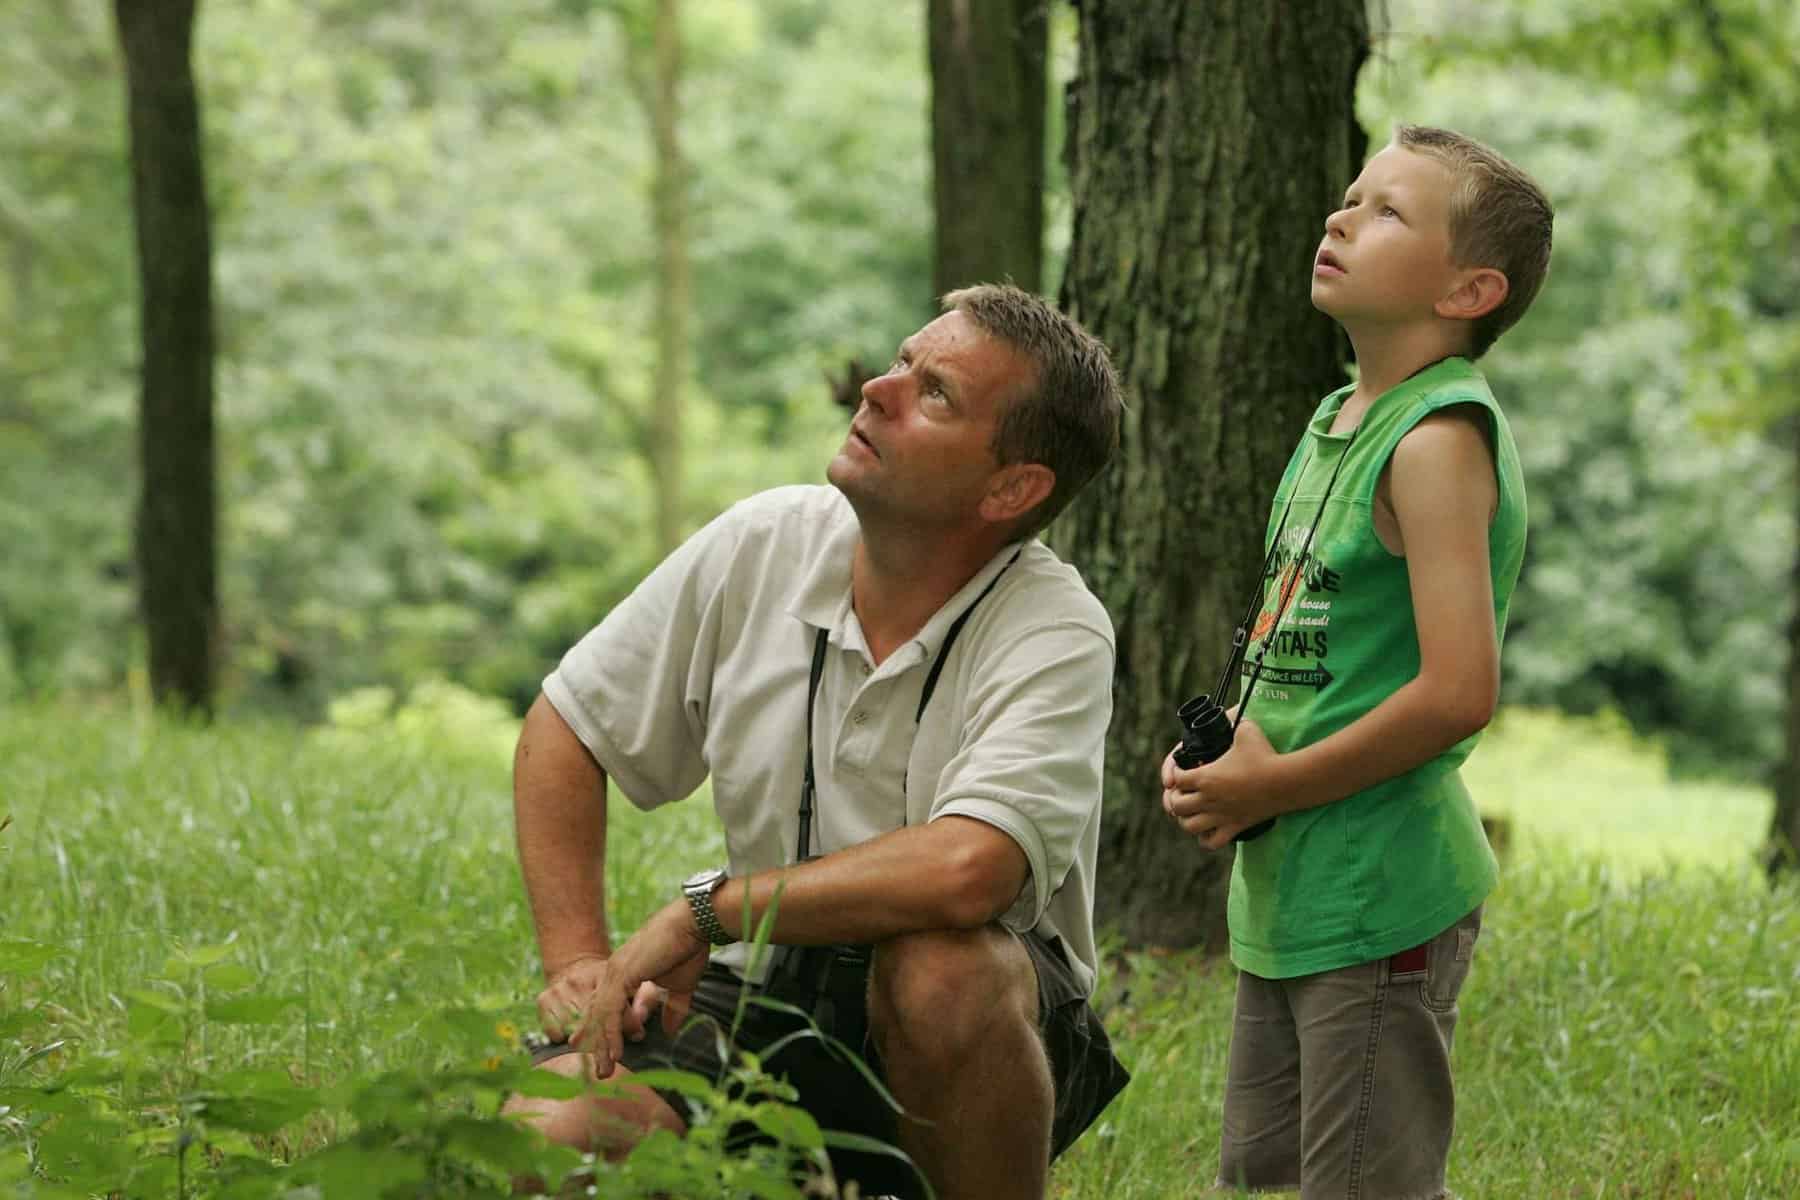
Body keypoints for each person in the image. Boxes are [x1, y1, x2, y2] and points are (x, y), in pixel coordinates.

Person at [505, 283, 1130, 1200]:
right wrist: (580, 968)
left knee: (938, 969)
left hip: (982, 1028)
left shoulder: (1056, 627)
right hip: (756, 994)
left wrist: (705, 911)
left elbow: (972, 869)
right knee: (543, 1137)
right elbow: (567, 726)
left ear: (1013, 488)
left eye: (936, 393)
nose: (878, 390)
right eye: (900, 363)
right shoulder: (765, 541)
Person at [1161, 125, 1553, 1198]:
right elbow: (1303, 631)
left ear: (1470, 289)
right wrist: (1228, 754)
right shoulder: (1340, 418)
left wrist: (1274, 782)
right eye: (1349, 198)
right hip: (1291, 886)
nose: (1340, 219)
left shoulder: (1436, 442)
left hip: (1380, 889)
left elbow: (1458, 692)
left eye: (1386, 212)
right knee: (1269, 1175)